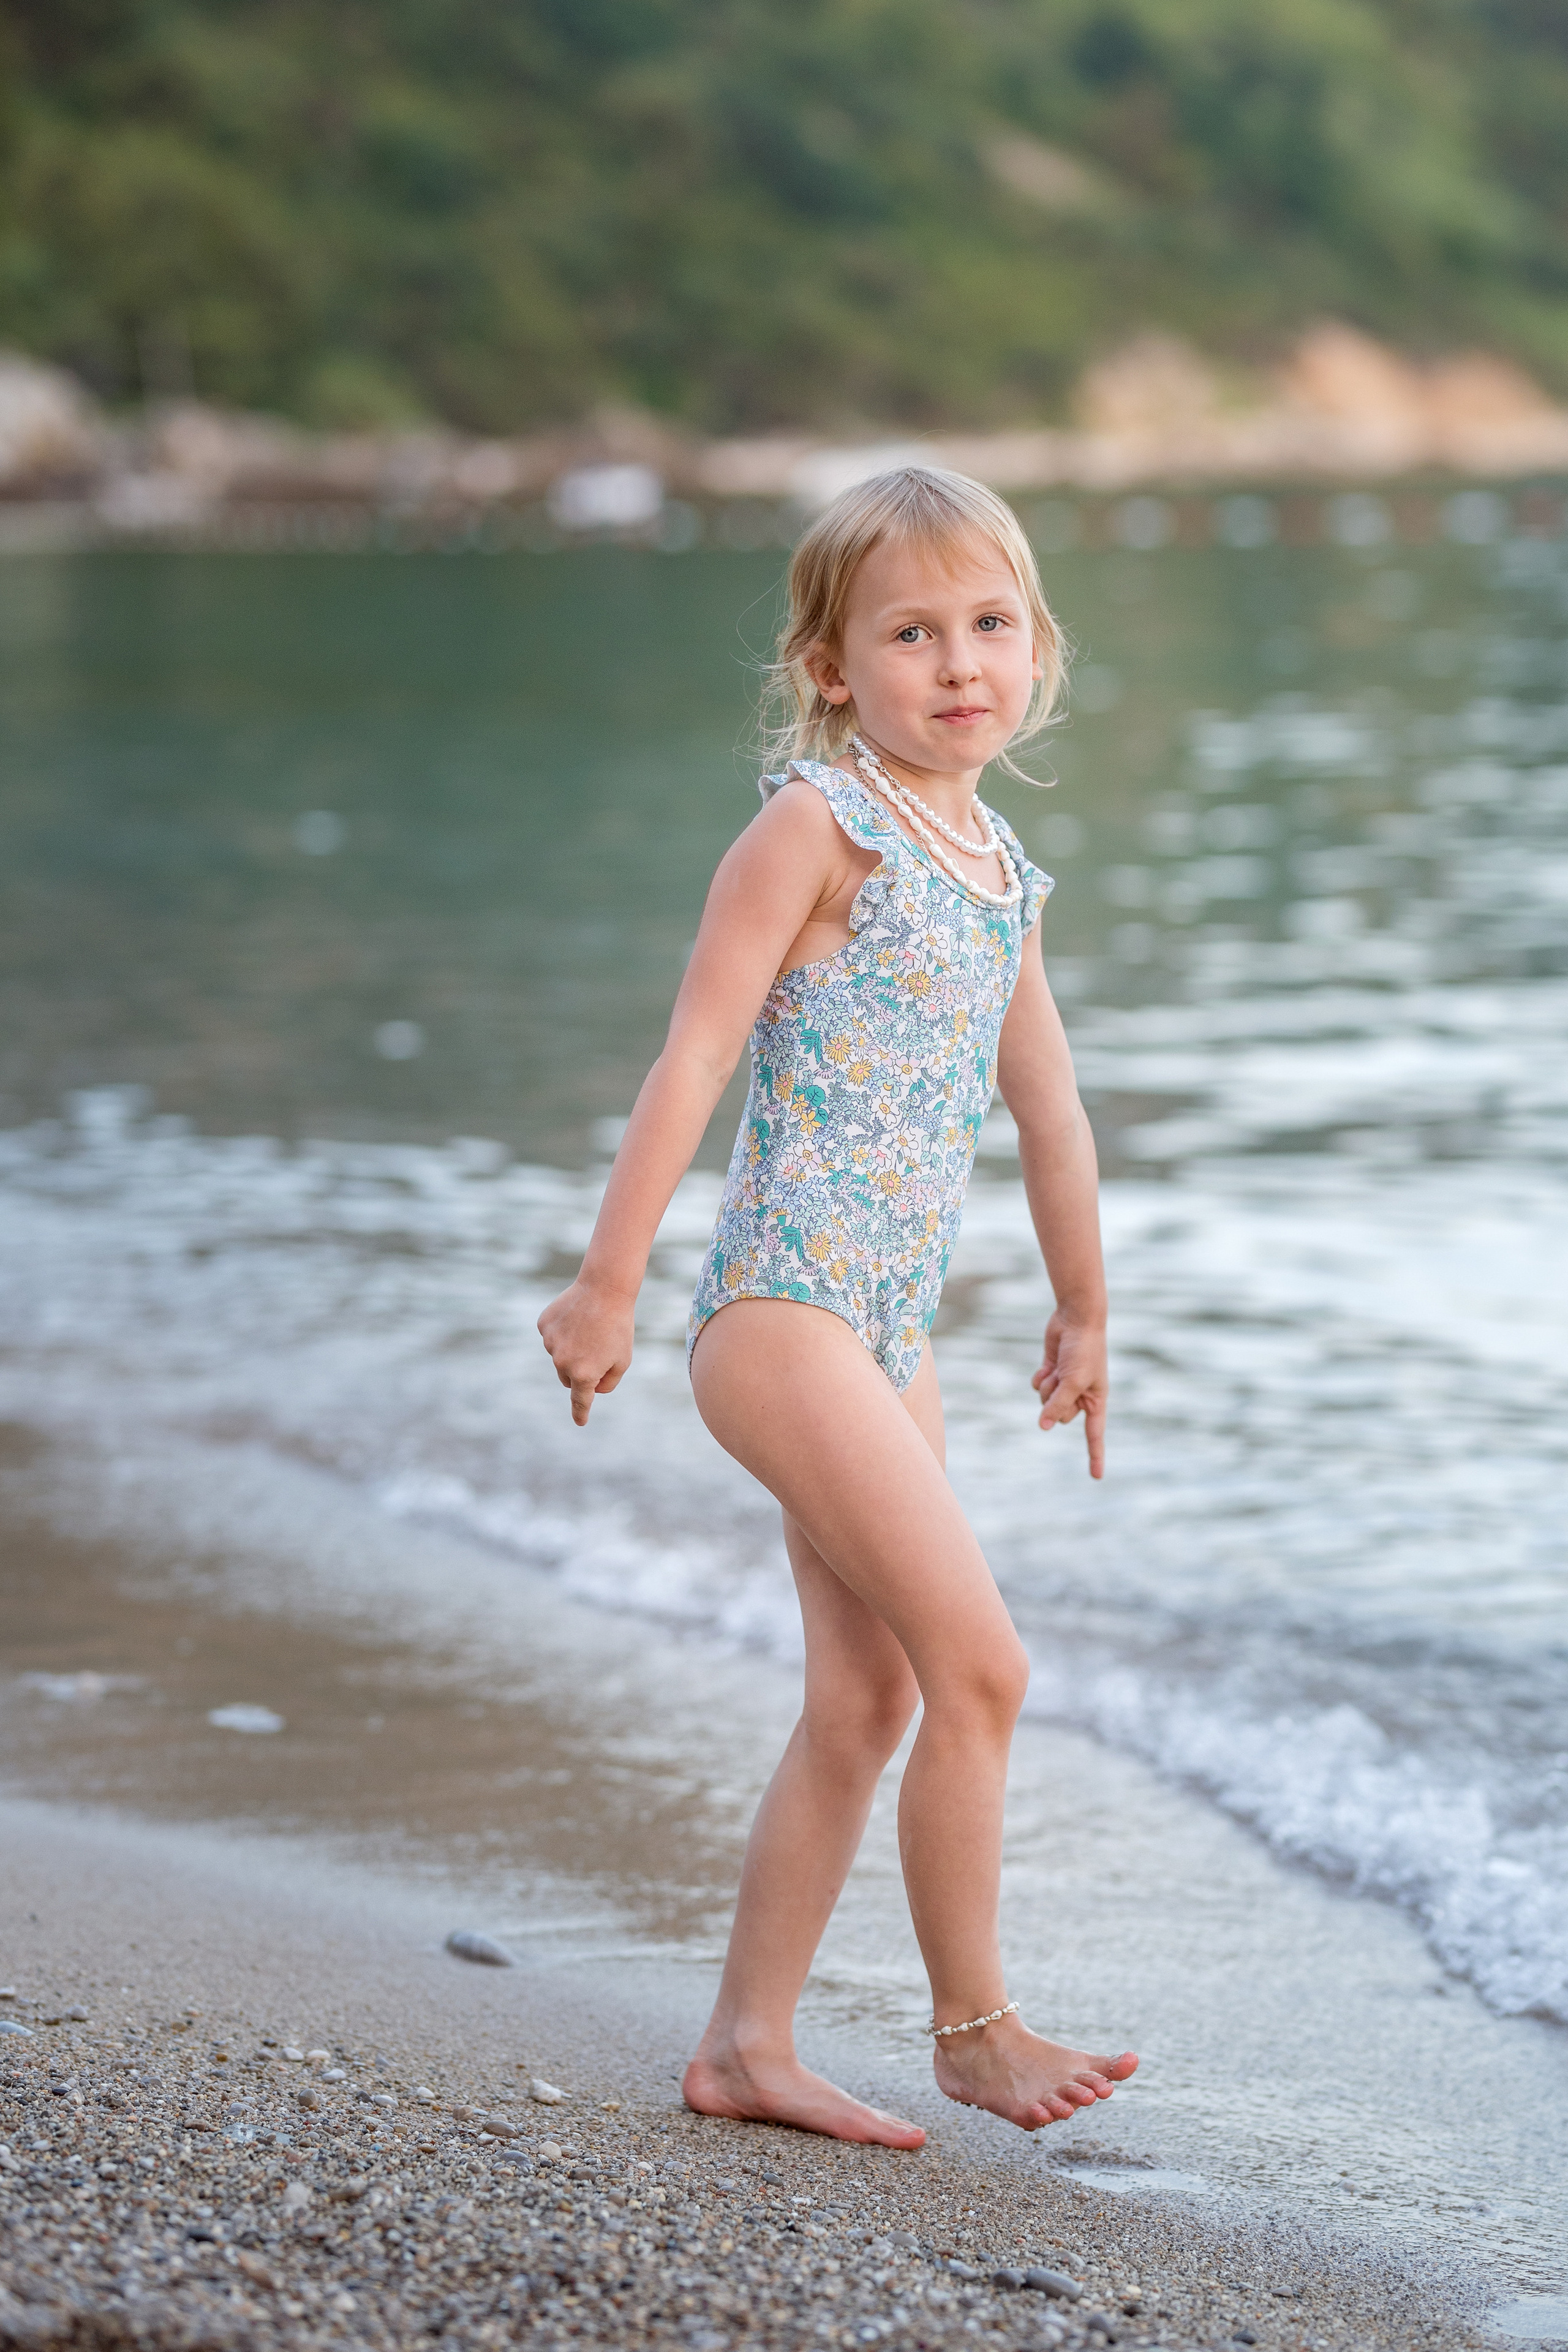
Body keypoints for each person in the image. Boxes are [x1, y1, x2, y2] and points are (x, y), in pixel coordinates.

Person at [538, 465, 1137, 2148]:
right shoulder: (817, 829)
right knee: (984, 1668)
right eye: (913, 632)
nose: (961, 663)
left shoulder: (999, 869)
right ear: (831, 664)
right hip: (783, 1310)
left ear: (1039, 650)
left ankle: (747, 2044)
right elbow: (692, 1061)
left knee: (869, 1698)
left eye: (992, 626)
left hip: (891, 1336)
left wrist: (1085, 1318)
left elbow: (1054, 1115)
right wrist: (606, 1284)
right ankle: (977, 2029)